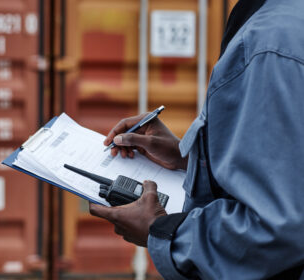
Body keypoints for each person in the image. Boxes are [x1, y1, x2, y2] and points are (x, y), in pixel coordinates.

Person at [89, 0, 304, 279]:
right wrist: (193, 157)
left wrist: (165, 232)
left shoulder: (268, 42)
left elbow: (277, 228)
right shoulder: (288, 21)